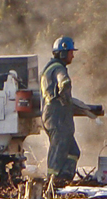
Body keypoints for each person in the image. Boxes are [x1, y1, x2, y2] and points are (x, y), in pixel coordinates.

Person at [41, 36, 98, 184]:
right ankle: (52, 183)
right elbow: (64, 83)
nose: (72, 55)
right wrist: (66, 99)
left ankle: (64, 180)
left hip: (57, 116)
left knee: (73, 152)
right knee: (58, 151)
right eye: (70, 52)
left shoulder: (51, 67)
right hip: (56, 116)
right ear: (62, 53)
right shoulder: (58, 69)